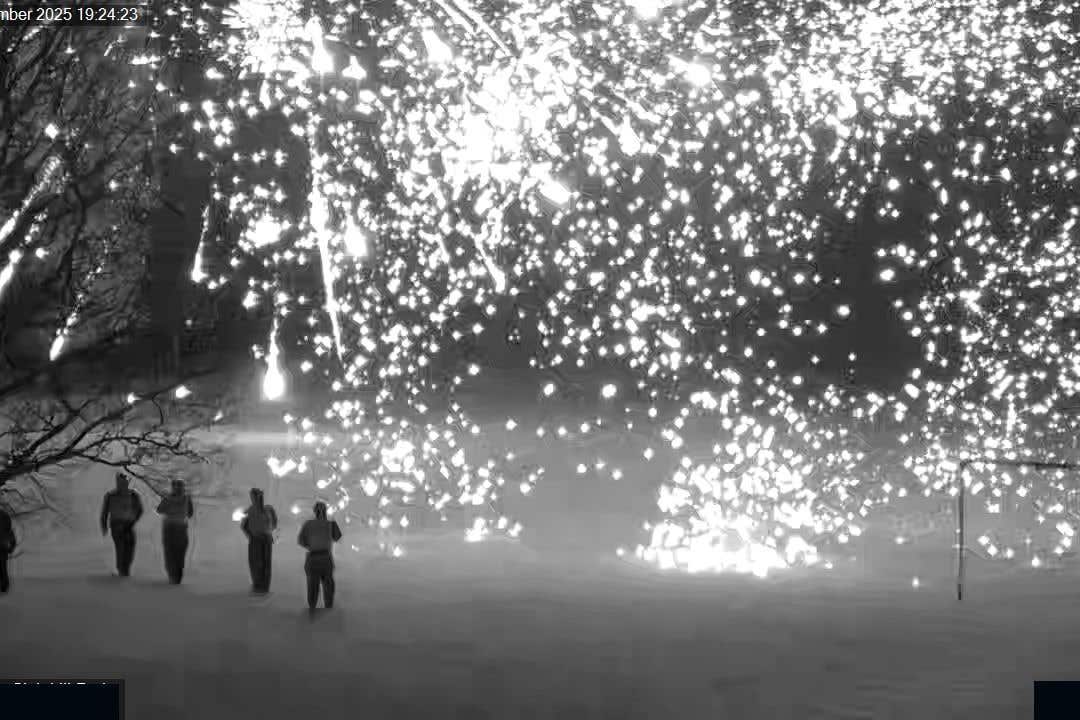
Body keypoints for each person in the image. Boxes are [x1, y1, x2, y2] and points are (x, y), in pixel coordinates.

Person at [297, 501, 342, 611]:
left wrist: (311, 545)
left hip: (313, 557)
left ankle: (312, 606)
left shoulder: (308, 524)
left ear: (314, 511)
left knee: (312, 585)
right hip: (325, 557)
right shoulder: (330, 524)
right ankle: (328, 607)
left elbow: (301, 540)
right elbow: (337, 537)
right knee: (328, 584)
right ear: (325, 511)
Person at [99, 473, 144, 577]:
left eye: (124, 481)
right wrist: (104, 525)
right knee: (121, 547)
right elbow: (105, 512)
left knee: (129, 547)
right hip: (117, 524)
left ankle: (124, 569)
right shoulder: (110, 495)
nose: (122, 483)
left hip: (128, 524)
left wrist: (134, 520)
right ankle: (122, 570)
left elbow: (140, 510)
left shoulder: (133, 495)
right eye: (120, 481)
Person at [156, 479, 194, 584]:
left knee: (170, 552)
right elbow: (190, 514)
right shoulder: (187, 498)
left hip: (170, 527)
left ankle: (173, 575)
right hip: (181, 528)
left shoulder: (167, 498)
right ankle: (176, 576)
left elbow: (159, 510)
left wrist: (168, 507)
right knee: (179, 553)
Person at [240, 488, 278, 593]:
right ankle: (262, 586)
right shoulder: (264, 510)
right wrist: (268, 530)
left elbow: (244, 526)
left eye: (253, 496)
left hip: (258, 539)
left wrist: (251, 535)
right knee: (263, 562)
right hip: (263, 538)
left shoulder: (254, 510)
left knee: (257, 562)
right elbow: (274, 523)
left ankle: (259, 585)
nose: (252, 498)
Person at [0, 506, 16, 593]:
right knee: (3, 568)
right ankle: (4, 586)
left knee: (2, 568)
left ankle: (4, 586)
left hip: (2, 547)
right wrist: (11, 547)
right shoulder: (5, 516)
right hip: (3, 547)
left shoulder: (5, 516)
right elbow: (10, 532)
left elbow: (9, 532)